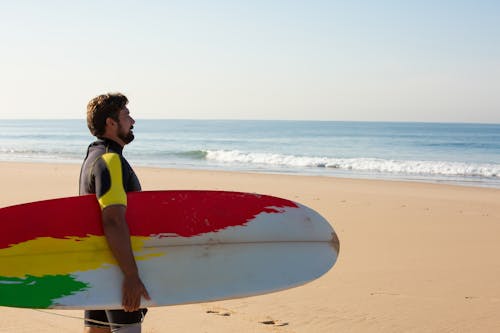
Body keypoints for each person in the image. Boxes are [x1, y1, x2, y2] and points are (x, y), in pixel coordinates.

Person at [79, 93, 150, 333]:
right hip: (116, 270)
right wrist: (131, 276)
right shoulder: (110, 160)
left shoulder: (92, 157)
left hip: (98, 266)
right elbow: (113, 220)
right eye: (126, 115)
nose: (132, 121)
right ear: (111, 123)